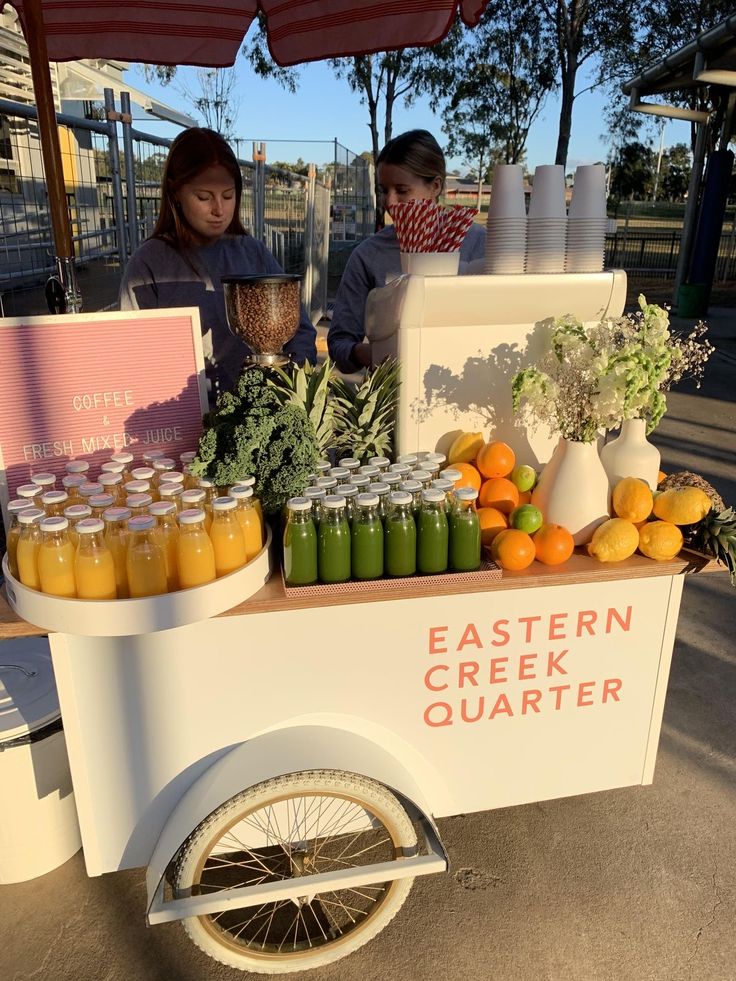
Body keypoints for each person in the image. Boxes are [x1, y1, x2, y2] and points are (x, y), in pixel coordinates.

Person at [119, 128, 316, 400]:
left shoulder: (254, 254)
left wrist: (290, 385)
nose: (219, 210)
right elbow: (134, 357)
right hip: (182, 417)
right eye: (203, 197)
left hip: (261, 415)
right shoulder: (147, 265)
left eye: (228, 195)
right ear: (176, 193)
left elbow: (301, 330)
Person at [327, 129, 485, 373]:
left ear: (435, 186)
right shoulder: (369, 255)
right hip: (393, 398)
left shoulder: (478, 244)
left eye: (402, 190)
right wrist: (377, 354)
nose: (390, 202)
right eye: (383, 190)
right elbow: (339, 343)